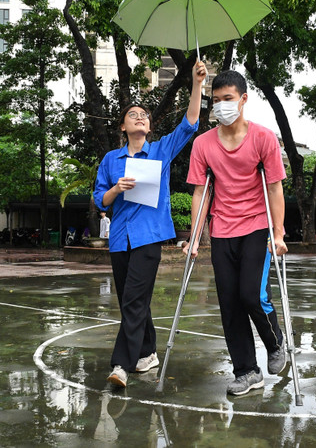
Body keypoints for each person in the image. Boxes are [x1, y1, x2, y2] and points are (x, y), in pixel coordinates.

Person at [93, 60, 205, 388]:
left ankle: (121, 365)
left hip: (149, 237)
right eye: (133, 115)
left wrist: (197, 84)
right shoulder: (111, 160)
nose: (140, 117)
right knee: (133, 298)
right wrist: (117, 188)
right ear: (123, 128)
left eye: (144, 115)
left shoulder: (159, 152)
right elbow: (101, 200)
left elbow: (190, 123)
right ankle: (148, 350)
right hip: (120, 240)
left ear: (150, 127)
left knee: (133, 300)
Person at [184, 69, 288, 397]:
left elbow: (274, 187)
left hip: (257, 227)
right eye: (215, 101)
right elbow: (200, 193)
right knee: (229, 304)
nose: (221, 106)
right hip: (222, 230)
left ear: (243, 100)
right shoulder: (203, 144)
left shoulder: (263, 138)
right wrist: (195, 237)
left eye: (227, 99)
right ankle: (246, 371)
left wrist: (279, 233)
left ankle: (275, 342)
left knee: (251, 295)